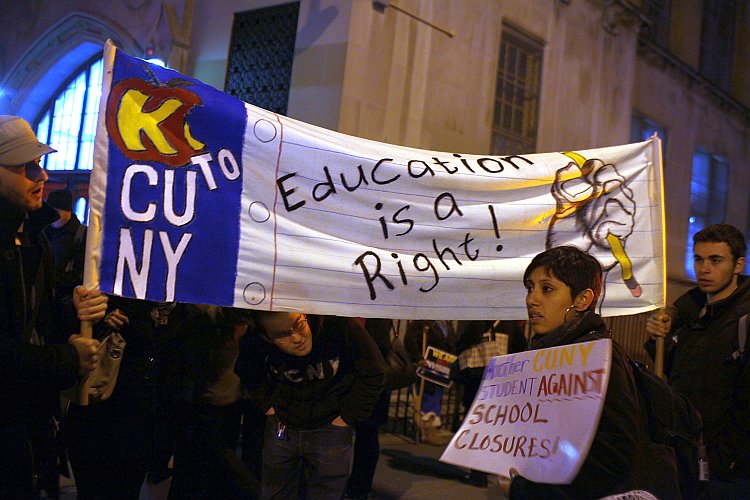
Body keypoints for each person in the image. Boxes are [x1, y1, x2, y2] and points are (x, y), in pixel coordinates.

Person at [500, 246, 680, 498]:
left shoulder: (596, 357)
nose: (532, 299)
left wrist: (528, 489)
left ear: (582, 299)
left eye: (547, 288)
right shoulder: (550, 352)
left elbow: (613, 454)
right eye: (530, 288)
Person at [0, 115, 104, 498]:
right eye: (26, 167)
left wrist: (71, 306)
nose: (40, 176)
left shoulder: (31, 235)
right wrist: (66, 359)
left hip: (29, 425)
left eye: (40, 164)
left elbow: (36, 323)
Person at [646, 223, 750, 497]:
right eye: (699, 259)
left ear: (738, 265)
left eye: (715, 260)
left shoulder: (744, 318)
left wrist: (728, 457)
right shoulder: (689, 311)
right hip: (685, 450)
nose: (704, 269)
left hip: (728, 466)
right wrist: (659, 339)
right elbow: (677, 374)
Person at [245, 312, 385, 500]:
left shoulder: (338, 324)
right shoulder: (257, 335)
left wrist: (348, 417)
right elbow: (246, 368)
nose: (296, 337)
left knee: (327, 492)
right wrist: (268, 407)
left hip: (330, 427)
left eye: (298, 324)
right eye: (282, 334)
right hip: (283, 425)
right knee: (276, 491)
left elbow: (374, 370)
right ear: (267, 337)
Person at [453, 319, 526, 487]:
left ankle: (478, 474)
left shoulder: (479, 322)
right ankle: (496, 471)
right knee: (495, 426)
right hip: (501, 380)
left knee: (478, 426)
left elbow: (463, 342)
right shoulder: (510, 325)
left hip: (478, 379)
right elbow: (521, 347)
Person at [44, 188, 86, 311]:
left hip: (67, 304)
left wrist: (51, 280)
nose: (52, 216)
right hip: (45, 301)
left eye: (57, 211)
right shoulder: (43, 232)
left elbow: (81, 274)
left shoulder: (81, 234)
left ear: (68, 211)